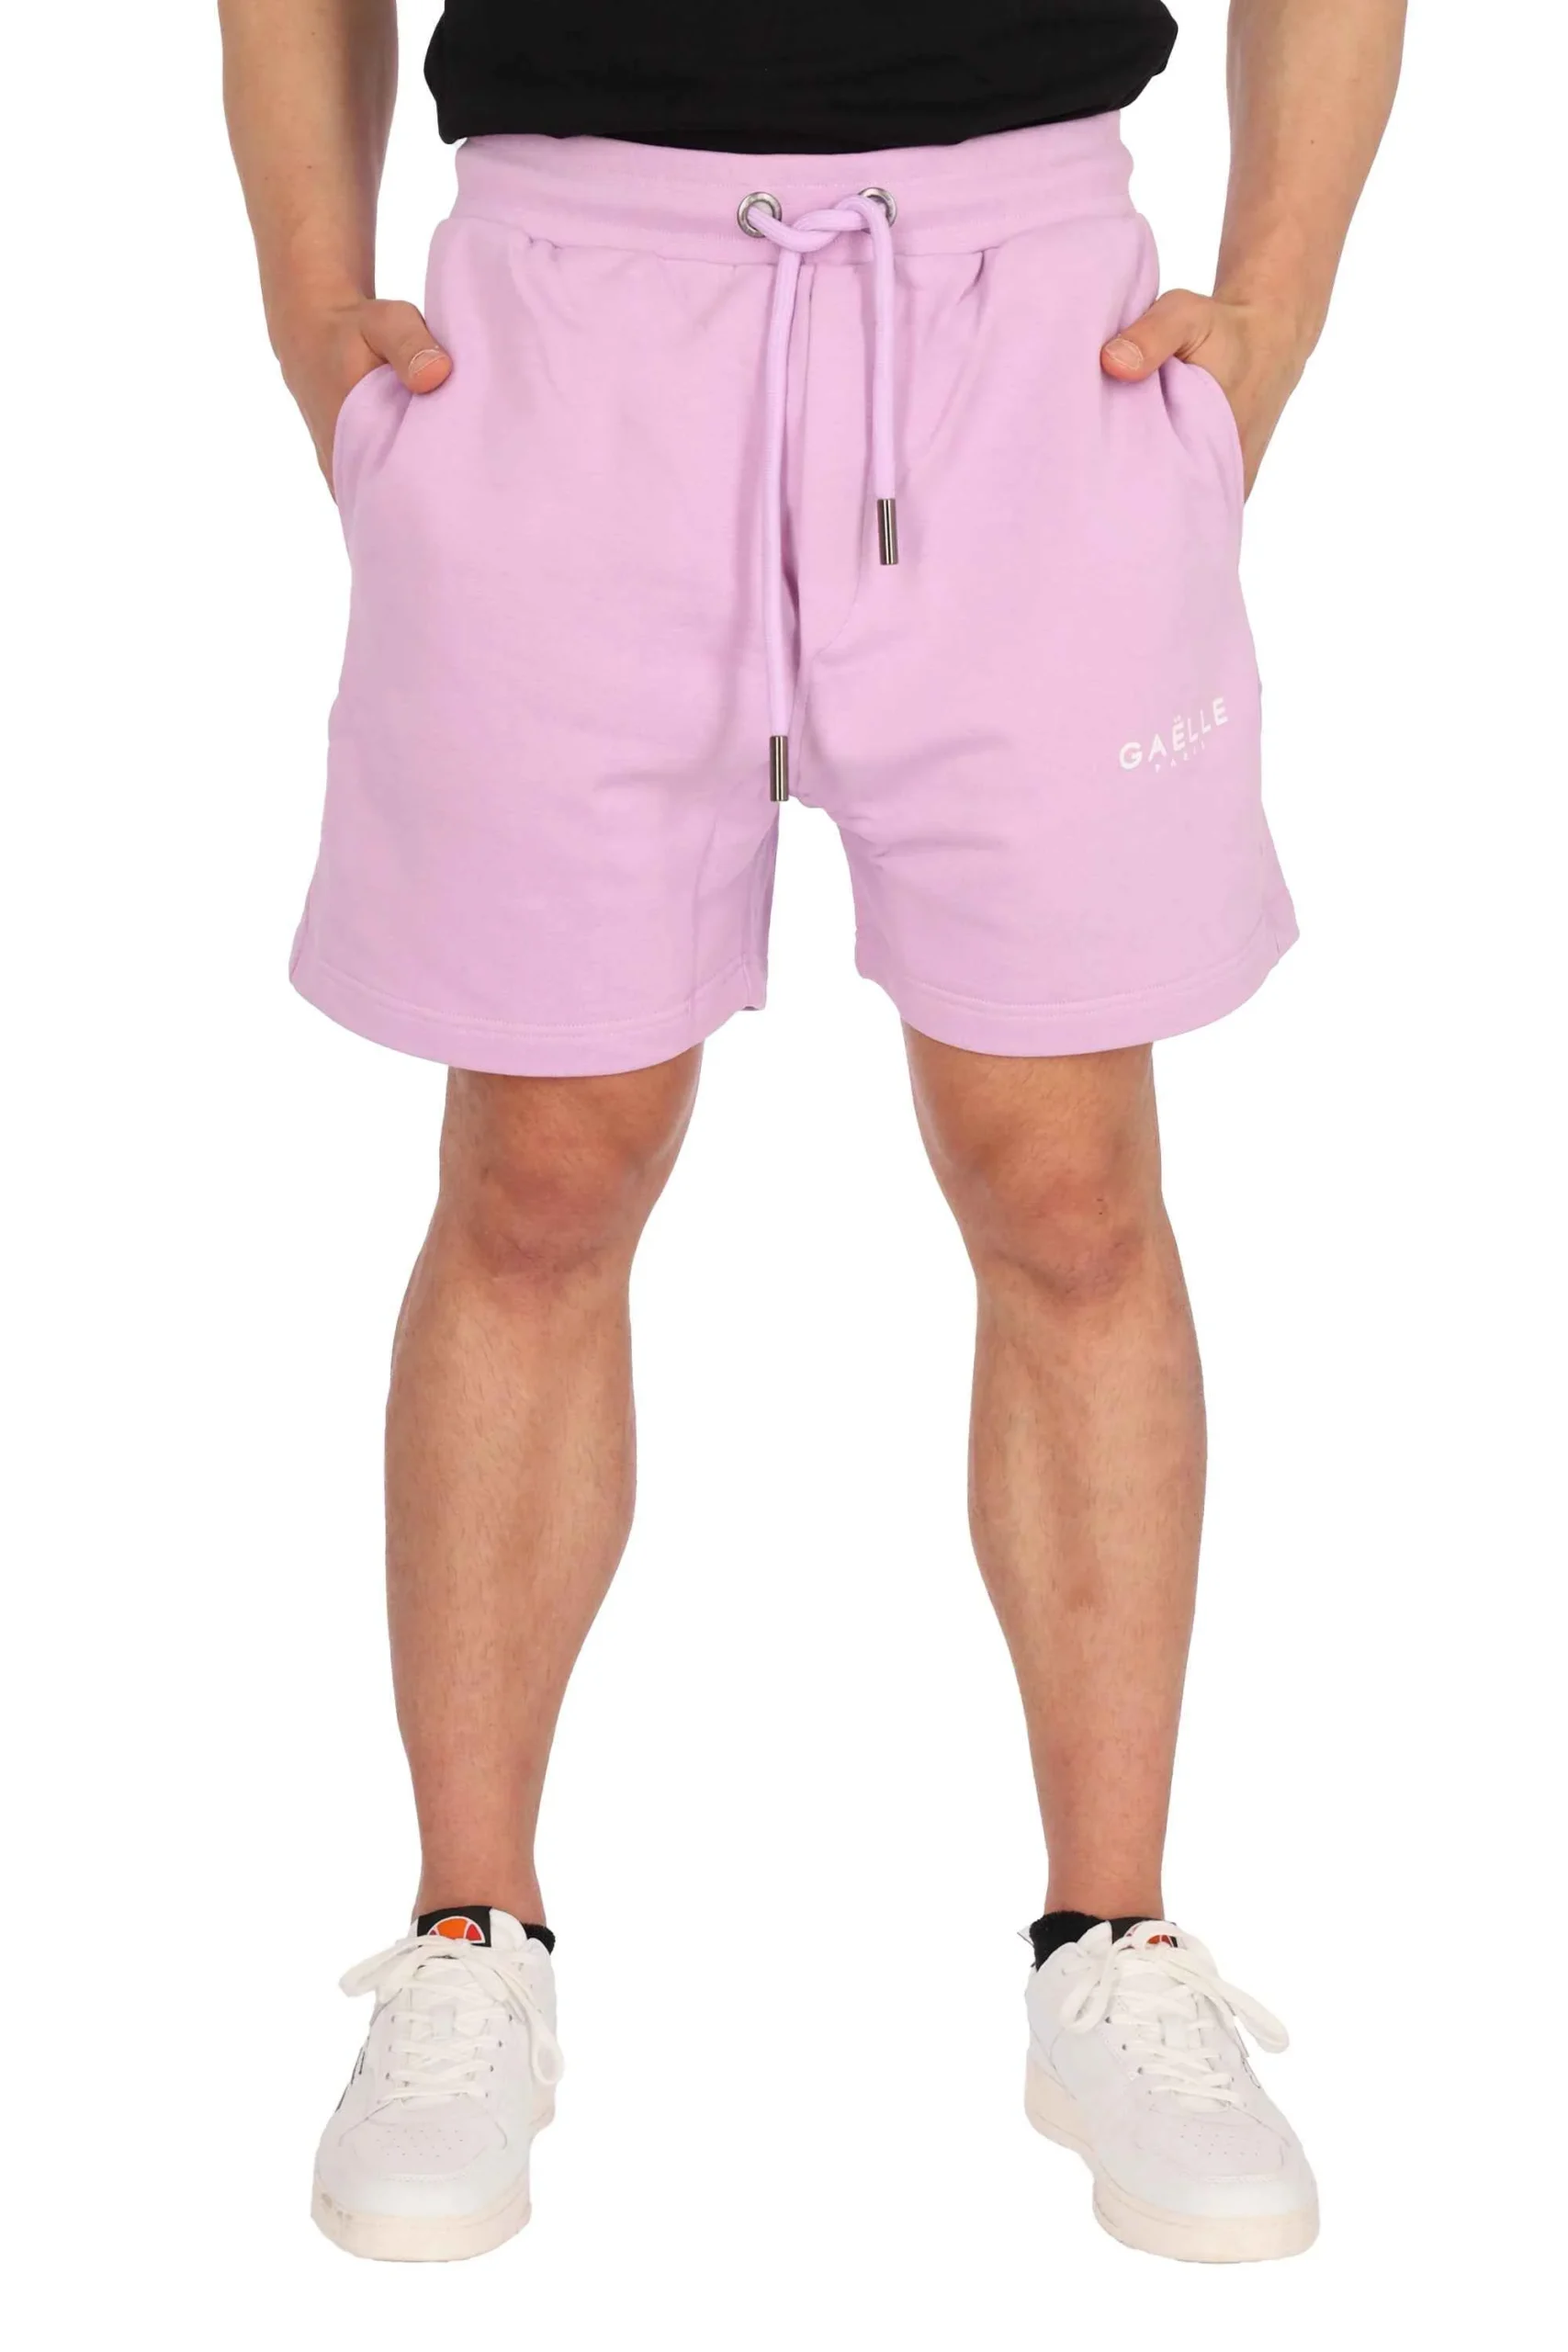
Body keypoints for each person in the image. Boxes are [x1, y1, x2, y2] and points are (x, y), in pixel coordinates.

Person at [220, 0, 1404, 2267]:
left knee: (1065, 1176)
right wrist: (304, 295)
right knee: (542, 1165)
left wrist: (1276, 296)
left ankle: (1111, 1945)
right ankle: (471, 1938)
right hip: (562, 313)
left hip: (1031, 318)